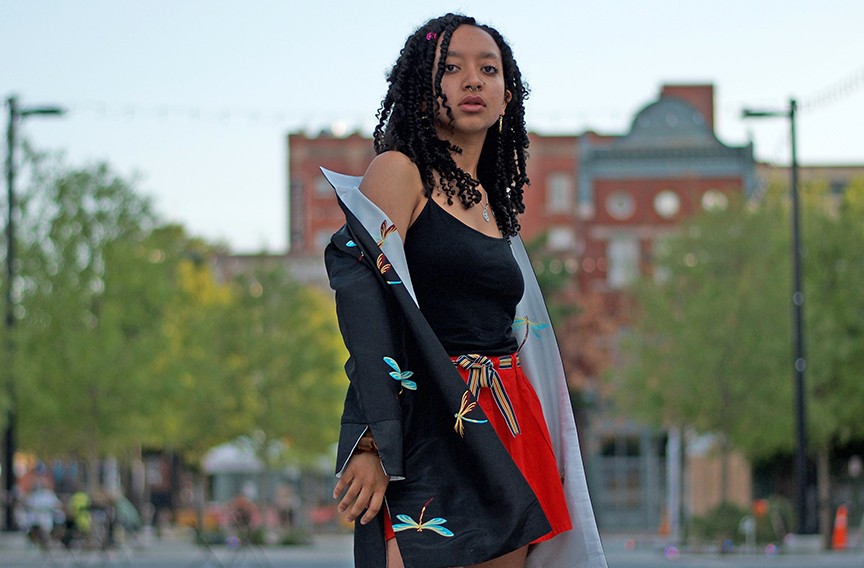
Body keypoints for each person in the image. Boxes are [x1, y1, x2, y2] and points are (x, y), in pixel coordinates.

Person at [324, 13, 607, 568]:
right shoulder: (399, 173)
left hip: (508, 419)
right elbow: (368, 305)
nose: (472, 80)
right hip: (427, 419)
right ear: (421, 91)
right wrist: (373, 436)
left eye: (488, 69)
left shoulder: (495, 206)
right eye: (450, 69)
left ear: (507, 96)